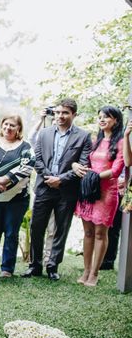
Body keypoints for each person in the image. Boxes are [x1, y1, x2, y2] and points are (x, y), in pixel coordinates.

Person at [24, 98, 92, 281]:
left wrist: (60, 180)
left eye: (65, 113)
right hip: (44, 186)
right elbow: (37, 159)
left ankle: (52, 266)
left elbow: (83, 165)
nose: (60, 116)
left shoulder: (84, 136)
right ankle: (35, 265)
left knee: (61, 229)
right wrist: (49, 178)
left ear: (74, 115)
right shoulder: (44, 133)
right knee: (37, 227)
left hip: (67, 191)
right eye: (58, 112)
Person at [73, 106, 125, 286]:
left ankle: (95, 273)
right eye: (100, 117)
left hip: (107, 193)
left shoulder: (120, 143)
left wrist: (92, 176)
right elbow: (84, 162)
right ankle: (86, 271)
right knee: (87, 232)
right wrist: (76, 167)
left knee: (101, 233)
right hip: (89, 191)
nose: (102, 120)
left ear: (116, 120)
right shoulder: (95, 141)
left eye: (107, 117)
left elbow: (116, 170)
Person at [0, 115, 34, 278]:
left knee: (11, 233)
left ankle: (7, 268)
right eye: (5, 124)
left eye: (12, 125)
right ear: (1, 126)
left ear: (18, 128)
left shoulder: (26, 147)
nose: (8, 128)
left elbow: (26, 170)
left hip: (17, 199)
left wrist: (5, 180)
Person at [28, 108, 56, 265]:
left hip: (60, 187)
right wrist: (40, 119)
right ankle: (35, 261)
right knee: (37, 227)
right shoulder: (43, 136)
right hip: (43, 186)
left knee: (54, 228)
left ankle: (48, 259)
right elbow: (31, 137)